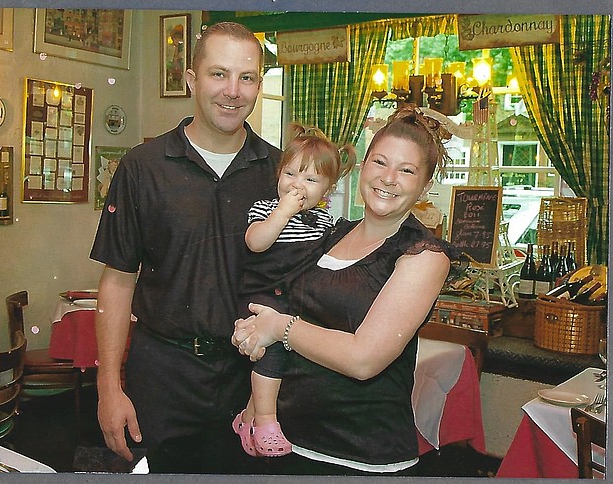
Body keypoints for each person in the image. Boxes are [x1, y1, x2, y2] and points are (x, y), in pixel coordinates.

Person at [89, 22, 280, 474]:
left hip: (250, 381)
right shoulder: (143, 167)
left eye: (247, 77)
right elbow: (116, 283)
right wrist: (108, 388)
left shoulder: (280, 171)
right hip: (162, 377)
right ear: (191, 80)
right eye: (218, 74)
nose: (232, 91)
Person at [233, 103, 459, 476]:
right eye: (380, 163)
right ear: (362, 167)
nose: (388, 178)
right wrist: (255, 331)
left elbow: (363, 359)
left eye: (406, 170)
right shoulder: (328, 233)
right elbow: (282, 299)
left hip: (358, 456)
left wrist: (280, 327)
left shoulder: (422, 255)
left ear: (426, 185)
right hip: (288, 442)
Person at [232, 124, 356, 457]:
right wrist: (282, 212)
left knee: (290, 352)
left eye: (310, 180)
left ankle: (247, 416)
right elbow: (255, 243)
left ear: (328, 188)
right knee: (271, 351)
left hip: (295, 300)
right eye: (290, 173)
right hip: (263, 296)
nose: (296, 185)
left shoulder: (325, 220)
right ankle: (266, 419)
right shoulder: (264, 209)